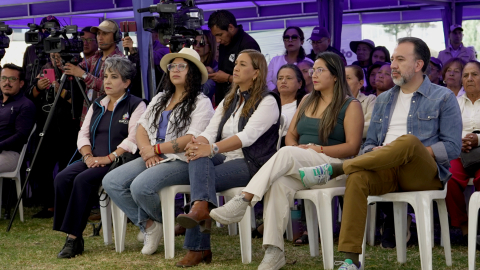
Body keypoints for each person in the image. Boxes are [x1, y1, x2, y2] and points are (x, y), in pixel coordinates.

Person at [300, 37, 461, 270]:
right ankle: (350, 261)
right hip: (385, 169)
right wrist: (375, 151)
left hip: (422, 173)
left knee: (408, 142)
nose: (392, 64)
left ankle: (337, 169)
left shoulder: (443, 97)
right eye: (393, 58)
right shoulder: (384, 99)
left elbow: (453, 147)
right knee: (357, 178)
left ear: (418, 65)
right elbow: (370, 143)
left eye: (400, 59)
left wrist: (410, 150)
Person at [210, 52, 364, 270]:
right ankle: (274, 251)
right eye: (313, 71)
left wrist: (315, 148)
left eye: (320, 70)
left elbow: (352, 147)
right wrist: (296, 149)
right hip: (302, 163)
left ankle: (244, 200)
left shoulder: (351, 105)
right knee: (279, 182)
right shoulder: (307, 100)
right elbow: (291, 135)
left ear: (336, 76)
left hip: (333, 168)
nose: (314, 75)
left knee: (286, 154)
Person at [174, 49, 281, 267]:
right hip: (226, 158)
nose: (236, 67)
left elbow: (247, 137)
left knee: (202, 179)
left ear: (256, 73)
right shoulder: (229, 99)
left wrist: (211, 148)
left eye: (243, 64)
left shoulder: (268, 101)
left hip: (253, 163)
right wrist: (198, 144)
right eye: (236, 63)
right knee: (198, 159)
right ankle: (201, 209)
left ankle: (198, 245)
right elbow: (210, 131)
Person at [102, 48, 214, 255]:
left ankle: (166, 222)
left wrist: (155, 149)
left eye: (182, 66)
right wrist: (146, 151)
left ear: (194, 73)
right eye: (173, 66)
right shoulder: (161, 97)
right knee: (111, 181)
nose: (176, 70)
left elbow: (192, 138)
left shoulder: (201, 102)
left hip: (181, 160)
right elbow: (141, 128)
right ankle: (151, 225)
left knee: (140, 187)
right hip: (153, 155)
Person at [53, 56, 146, 259]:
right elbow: (83, 134)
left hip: (119, 161)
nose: (107, 81)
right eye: (105, 76)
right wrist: (87, 155)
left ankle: (73, 238)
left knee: (82, 180)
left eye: (114, 77)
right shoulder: (97, 104)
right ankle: (70, 231)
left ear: (127, 82)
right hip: (91, 158)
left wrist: (108, 157)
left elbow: (134, 139)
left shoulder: (137, 105)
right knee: (62, 178)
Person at [27, 52, 84, 218]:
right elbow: (29, 97)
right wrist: (39, 86)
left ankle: (67, 205)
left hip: (69, 128)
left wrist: (62, 91)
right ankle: (50, 205)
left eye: (58, 55)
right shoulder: (44, 69)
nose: (55, 59)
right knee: (42, 167)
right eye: (52, 55)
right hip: (46, 126)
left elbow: (81, 102)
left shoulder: (76, 70)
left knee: (68, 168)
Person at [445, 61, 480, 245]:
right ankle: (466, 229)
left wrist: (478, 140)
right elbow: (447, 130)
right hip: (461, 153)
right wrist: (459, 142)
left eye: (474, 74)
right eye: (465, 75)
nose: (469, 79)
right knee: (448, 177)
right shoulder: (455, 103)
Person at [63, 19, 124, 124]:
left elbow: (109, 88)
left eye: (104, 33)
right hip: (89, 117)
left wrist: (82, 74)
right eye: (98, 34)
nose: (100, 37)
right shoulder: (96, 57)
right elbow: (77, 68)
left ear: (116, 36)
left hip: (107, 119)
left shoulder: (120, 60)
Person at [207, 10, 261, 105]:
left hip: (242, 103)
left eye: (219, 35)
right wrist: (215, 74)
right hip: (224, 101)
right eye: (215, 36)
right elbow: (226, 70)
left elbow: (255, 79)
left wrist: (227, 78)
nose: (218, 40)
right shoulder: (225, 42)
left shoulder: (248, 45)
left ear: (231, 27)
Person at [0, 64, 36, 173]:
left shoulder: (25, 105)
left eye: (12, 79)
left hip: (11, 154)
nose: (7, 82)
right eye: (3, 78)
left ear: (21, 83)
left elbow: (20, 136)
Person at [123, 31, 170, 96]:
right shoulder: (138, 51)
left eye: (146, 34)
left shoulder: (164, 49)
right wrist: (132, 52)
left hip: (156, 93)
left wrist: (134, 50)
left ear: (156, 35)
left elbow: (152, 58)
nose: (142, 37)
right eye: (139, 34)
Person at [22, 16, 61, 90]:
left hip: (55, 92)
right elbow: (24, 72)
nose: (49, 31)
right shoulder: (31, 50)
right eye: (46, 28)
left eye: (54, 28)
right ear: (40, 29)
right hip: (32, 94)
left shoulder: (62, 50)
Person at [274, 64, 307, 137]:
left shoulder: (304, 106)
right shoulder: (269, 103)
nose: (283, 81)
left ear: (300, 84)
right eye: (280, 78)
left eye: (289, 78)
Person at [345, 65, 376, 139]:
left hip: (360, 145)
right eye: (342, 78)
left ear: (360, 83)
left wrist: (340, 131)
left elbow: (370, 126)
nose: (343, 81)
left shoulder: (370, 100)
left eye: (348, 78)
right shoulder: (331, 100)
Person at [193, 30, 218, 102]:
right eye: (195, 42)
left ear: (210, 46)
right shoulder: (190, 63)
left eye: (201, 43)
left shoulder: (215, 67)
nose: (197, 46)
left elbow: (205, 92)